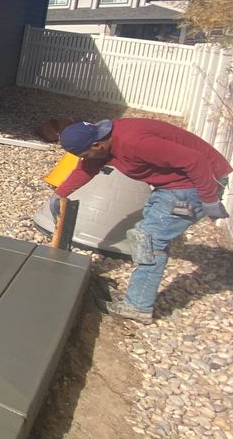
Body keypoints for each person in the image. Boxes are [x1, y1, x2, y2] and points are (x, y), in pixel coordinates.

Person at [54, 118, 230, 323]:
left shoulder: (135, 143)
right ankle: (136, 297)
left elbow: (196, 161)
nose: (84, 158)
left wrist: (209, 199)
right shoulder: (104, 139)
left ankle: (137, 306)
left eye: (83, 154)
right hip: (174, 185)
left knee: (148, 240)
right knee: (145, 235)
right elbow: (88, 167)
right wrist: (60, 194)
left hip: (197, 183)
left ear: (97, 145)